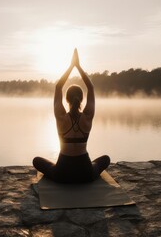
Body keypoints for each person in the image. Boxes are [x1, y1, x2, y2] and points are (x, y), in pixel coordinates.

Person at [32, 48, 111, 183]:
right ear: (82, 99)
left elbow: (58, 87)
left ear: (67, 100)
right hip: (86, 174)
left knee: (37, 161)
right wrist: (78, 67)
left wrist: (71, 66)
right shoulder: (87, 117)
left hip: (62, 174)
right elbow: (91, 88)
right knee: (105, 159)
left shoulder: (61, 117)